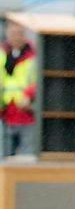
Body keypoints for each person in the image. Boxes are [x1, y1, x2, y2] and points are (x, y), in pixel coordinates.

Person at [1, 21, 37, 157]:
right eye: (13, 34)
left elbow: (38, 80)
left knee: (28, 156)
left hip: (26, 114)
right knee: (5, 156)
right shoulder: (2, 54)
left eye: (19, 34)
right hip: (6, 114)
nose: (16, 37)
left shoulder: (33, 56)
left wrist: (28, 96)